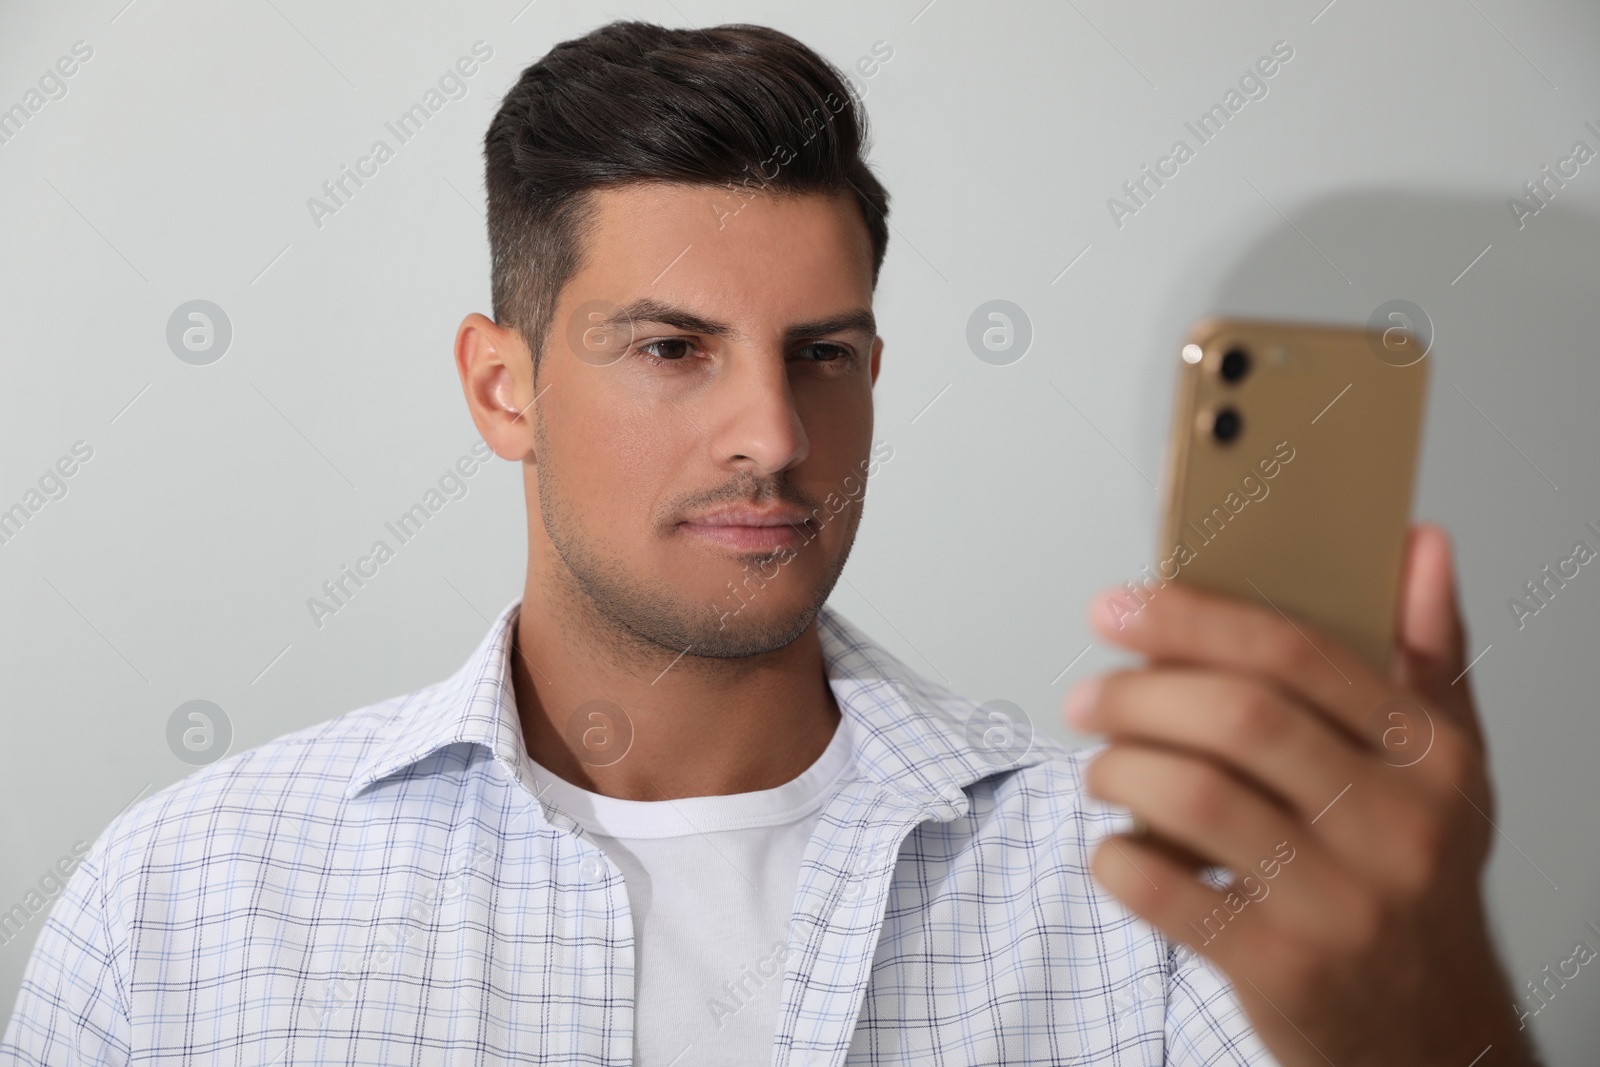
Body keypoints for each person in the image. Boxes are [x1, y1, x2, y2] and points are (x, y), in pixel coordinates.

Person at [0, 19, 1540, 1067]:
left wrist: (1440, 1006)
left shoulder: (1141, 894)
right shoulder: (182, 900)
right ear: (502, 385)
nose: (775, 436)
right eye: (671, 349)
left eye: (823, 355)